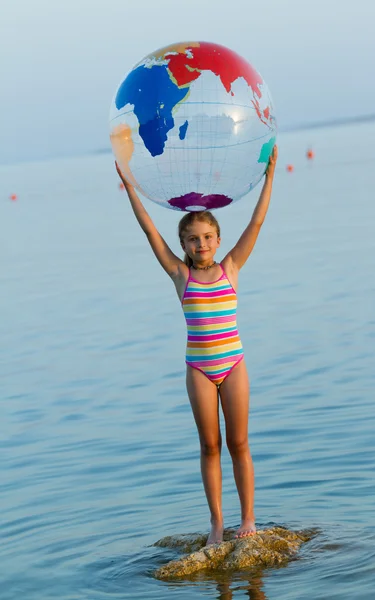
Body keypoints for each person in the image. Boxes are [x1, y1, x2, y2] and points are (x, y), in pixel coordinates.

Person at [116, 146, 278, 545]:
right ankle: (217, 525)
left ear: (218, 239)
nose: (201, 245)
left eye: (207, 237)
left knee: (239, 442)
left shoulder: (231, 268)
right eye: (192, 240)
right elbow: (150, 230)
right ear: (184, 245)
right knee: (210, 445)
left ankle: (249, 519)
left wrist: (270, 175)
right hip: (200, 371)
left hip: (233, 365)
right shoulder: (178, 274)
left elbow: (257, 222)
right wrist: (129, 185)